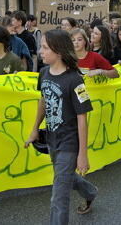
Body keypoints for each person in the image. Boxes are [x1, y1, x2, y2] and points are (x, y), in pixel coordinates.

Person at [25, 29, 98, 224]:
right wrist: (34, 130)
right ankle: (90, 192)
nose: (40, 51)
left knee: (58, 196)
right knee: (64, 177)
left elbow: (82, 117)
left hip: (69, 143)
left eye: (45, 48)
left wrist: (83, 154)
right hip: (52, 139)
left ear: (58, 52)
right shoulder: (43, 73)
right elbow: (43, 100)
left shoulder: (75, 80)